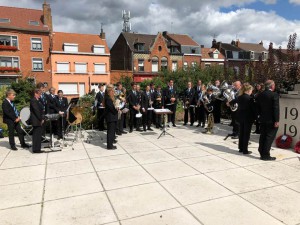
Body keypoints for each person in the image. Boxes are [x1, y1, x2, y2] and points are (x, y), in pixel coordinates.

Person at [256, 80, 279, 161]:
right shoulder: (274, 94)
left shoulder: (260, 94)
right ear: (272, 86)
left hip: (262, 119)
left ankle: (261, 151)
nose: (274, 86)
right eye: (274, 85)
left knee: (263, 135)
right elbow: (275, 108)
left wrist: (259, 117)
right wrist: (277, 120)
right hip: (271, 120)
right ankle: (265, 155)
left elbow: (257, 108)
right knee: (269, 137)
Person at [237, 83, 256, 155]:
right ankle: (245, 150)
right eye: (251, 90)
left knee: (241, 132)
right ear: (248, 90)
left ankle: (240, 148)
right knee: (246, 134)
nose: (251, 91)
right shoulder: (249, 98)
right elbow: (253, 109)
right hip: (248, 118)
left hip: (241, 117)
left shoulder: (240, 97)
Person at [30, 88, 45, 153]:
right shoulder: (33, 100)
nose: (40, 95)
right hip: (36, 120)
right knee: (36, 135)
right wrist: (41, 119)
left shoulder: (38, 100)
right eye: (39, 94)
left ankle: (37, 148)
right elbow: (36, 111)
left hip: (38, 119)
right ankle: (36, 149)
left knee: (38, 135)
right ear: (35, 94)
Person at [104, 84, 118, 150]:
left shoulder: (110, 98)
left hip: (113, 117)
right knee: (110, 132)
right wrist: (116, 110)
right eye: (112, 91)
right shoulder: (108, 99)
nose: (113, 92)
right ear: (109, 92)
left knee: (112, 132)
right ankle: (109, 146)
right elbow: (111, 108)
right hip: (110, 117)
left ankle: (111, 144)